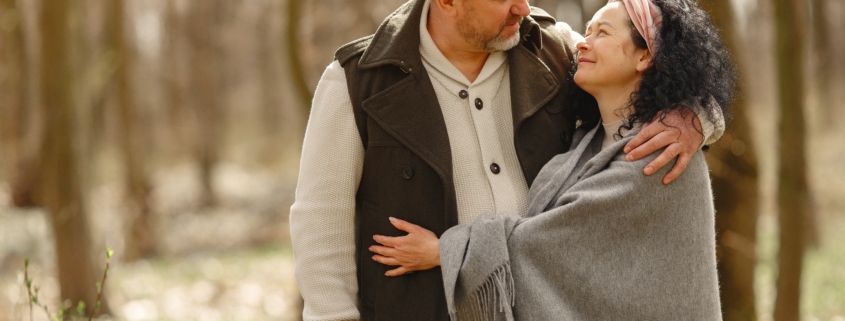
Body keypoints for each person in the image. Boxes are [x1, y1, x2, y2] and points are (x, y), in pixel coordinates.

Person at [289, 0, 725, 319]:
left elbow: (658, 65)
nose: (523, 7)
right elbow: (320, 229)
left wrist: (698, 117)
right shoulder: (356, 80)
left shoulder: (552, 48)